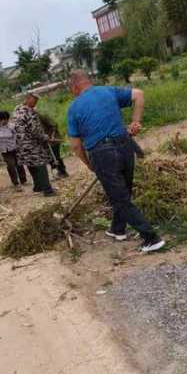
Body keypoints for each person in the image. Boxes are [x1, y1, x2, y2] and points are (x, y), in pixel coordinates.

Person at [66, 70, 165, 253]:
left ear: (74, 86)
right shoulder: (108, 91)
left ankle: (151, 238)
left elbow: (75, 146)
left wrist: (88, 164)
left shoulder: (74, 108)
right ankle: (117, 229)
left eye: (70, 89)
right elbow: (139, 95)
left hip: (102, 154)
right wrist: (135, 123)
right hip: (125, 145)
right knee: (123, 193)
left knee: (120, 198)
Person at [13, 93, 56, 197]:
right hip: (32, 144)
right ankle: (48, 190)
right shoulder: (29, 112)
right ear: (28, 99)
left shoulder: (17, 109)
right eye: (34, 100)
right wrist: (45, 137)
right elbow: (35, 130)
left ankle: (38, 186)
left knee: (30, 164)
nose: (36, 102)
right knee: (40, 164)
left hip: (20, 144)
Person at [0, 111, 27, 190]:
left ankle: (23, 180)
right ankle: (16, 183)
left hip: (14, 148)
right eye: (3, 120)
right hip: (4, 150)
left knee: (18, 163)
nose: (5, 122)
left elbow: (17, 135)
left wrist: (20, 145)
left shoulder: (11, 126)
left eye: (6, 120)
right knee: (11, 165)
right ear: (0, 120)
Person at [38, 113, 69, 178]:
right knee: (50, 158)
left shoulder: (43, 117)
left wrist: (52, 136)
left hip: (53, 140)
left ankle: (63, 172)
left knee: (56, 156)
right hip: (46, 142)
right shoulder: (33, 120)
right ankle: (56, 172)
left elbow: (54, 125)